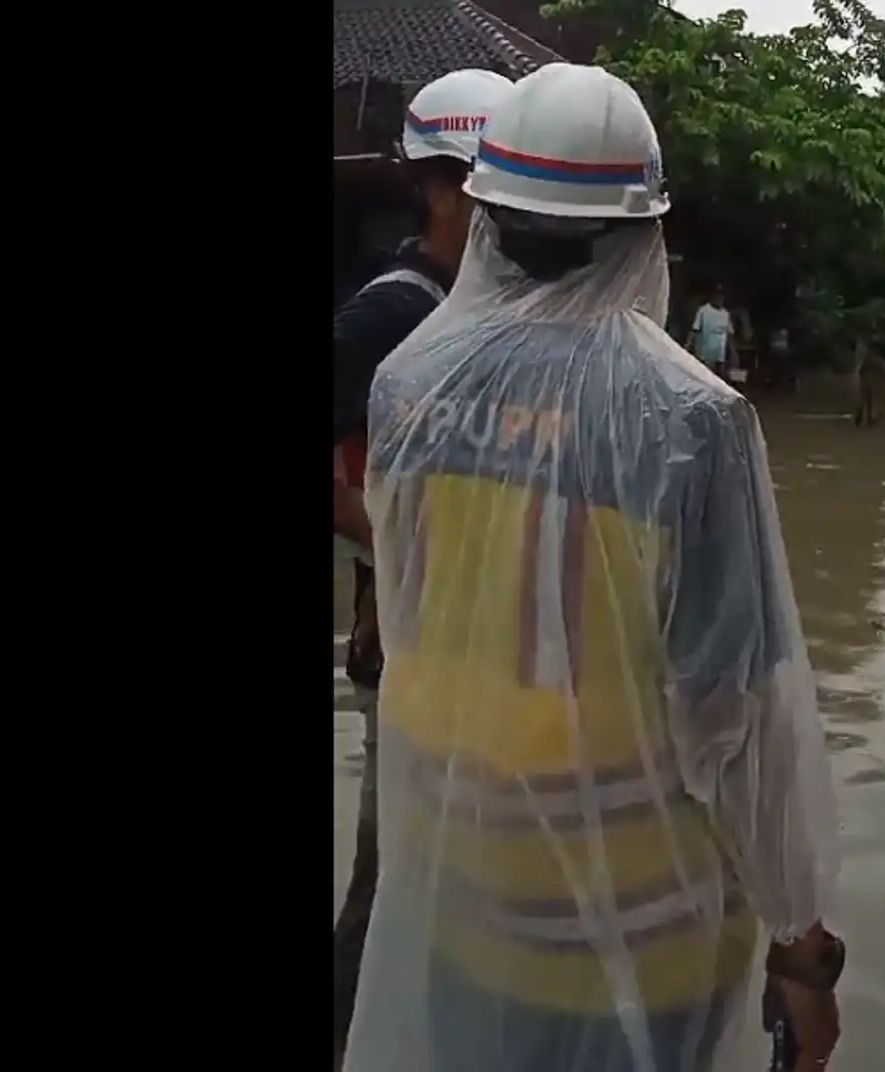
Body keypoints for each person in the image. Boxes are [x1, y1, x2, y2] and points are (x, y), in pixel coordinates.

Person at [345, 62, 843, 1072]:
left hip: (460, 894)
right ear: (640, 232)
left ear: (481, 211)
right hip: (640, 933)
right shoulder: (690, 422)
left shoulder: (409, 388)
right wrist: (802, 943)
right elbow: (742, 712)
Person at [331, 65, 513, 1072]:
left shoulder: (476, 311)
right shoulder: (392, 312)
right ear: (439, 189)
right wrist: (387, 538)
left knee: (451, 879)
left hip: (477, 654)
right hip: (405, 645)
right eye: (484, 190)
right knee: (393, 879)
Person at [687, 285, 735, 377]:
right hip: (704, 355)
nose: (719, 299)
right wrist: (688, 346)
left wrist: (733, 353)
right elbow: (694, 330)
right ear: (712, 296)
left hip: (719, 356)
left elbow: (730, 334)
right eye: (717, 296)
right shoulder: (703, 310)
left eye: (721, 297)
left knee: (719, 378)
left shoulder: (725, 314)